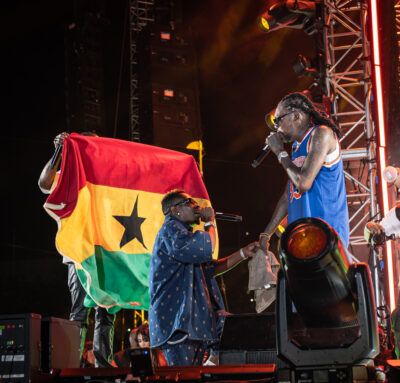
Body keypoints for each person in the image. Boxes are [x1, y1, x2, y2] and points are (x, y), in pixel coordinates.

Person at [148, 189, 258, 366]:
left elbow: (210, 269)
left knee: (195, 375)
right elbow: (204, 247)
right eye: (191, 203)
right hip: (176, 322)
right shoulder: (170, 229)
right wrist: (209, 222)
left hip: (190, 323)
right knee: (183, 377)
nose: (197, 206)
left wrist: (244, 253)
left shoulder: (184, 236)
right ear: (176, 210)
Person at [38, 132, 115, 368]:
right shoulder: (70, 174)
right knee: (80, 312)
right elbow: (44, 183)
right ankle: (73, 365)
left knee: (107, 312)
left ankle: (103, 365)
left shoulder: (109, 176)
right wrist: (59, 152)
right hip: (79, 253)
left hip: (108, 253)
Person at [260, 92, 349, 251]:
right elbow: (289, 195)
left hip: (327, 236)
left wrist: (280, 151)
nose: (277, 128)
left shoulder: (322, 133)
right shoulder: (296, 147)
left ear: (295, 115)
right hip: (305, 238)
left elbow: (303, 183)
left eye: (279, 121)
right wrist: (266, 234)